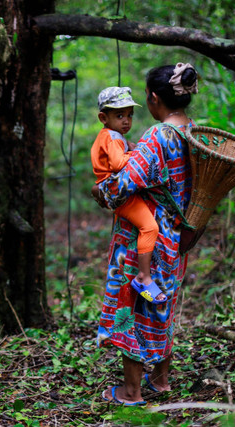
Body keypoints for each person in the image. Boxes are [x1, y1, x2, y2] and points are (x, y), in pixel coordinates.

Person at [92, 63, 199, 406]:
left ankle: (132, 391)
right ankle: (161, 380)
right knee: (161, 303)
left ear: (154, 99)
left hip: (146, 239)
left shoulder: (158, 136)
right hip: (177, 236)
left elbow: (122, 184)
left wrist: (100, 192)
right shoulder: (193, 131)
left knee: (135, 307)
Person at [91, 87, 164, 304]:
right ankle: (143, 277)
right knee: (150, 227)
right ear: (103, 117)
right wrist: (139, 153)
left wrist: (129, 148)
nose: (126, 121)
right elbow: (117, 163)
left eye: (129, 115)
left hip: (112, 191)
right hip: (120, 194)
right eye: (119, 115)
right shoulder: (113, 137)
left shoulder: (108, 135)